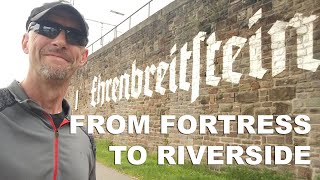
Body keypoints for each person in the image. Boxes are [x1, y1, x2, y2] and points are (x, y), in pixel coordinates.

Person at [0, 1, 95, 180]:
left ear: (83, 57)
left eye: (74, 36)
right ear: (25, 42)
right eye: (47, 28)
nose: (60, 42)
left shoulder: (85, 140)